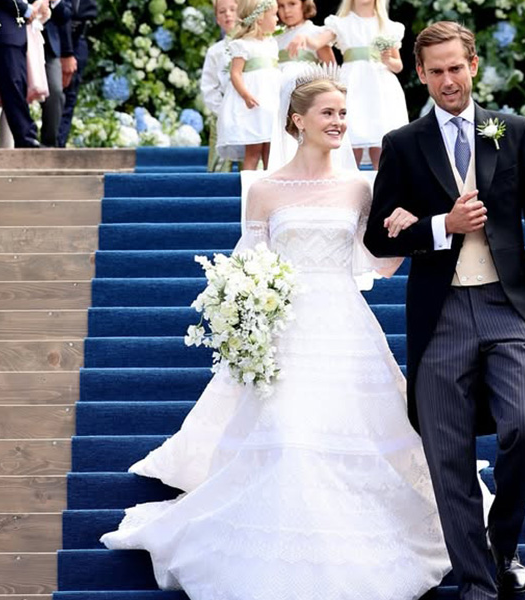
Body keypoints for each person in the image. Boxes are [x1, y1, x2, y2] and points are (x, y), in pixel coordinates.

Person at [100, 67, 452, 600]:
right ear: (298, 120)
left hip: (344, 328)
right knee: (289, 438)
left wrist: (407, 234)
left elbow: (378, 266)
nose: (339, 122)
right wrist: (243, 316)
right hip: (285, 332)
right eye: (328, 113)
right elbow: (248, 268)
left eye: (343, 113)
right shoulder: (263, 190)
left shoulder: (360, 187)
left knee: (348, 439)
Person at [364, 21, 525, 599]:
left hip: (508, 307)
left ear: (474, 65)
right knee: (448, 458)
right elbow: (377, 238)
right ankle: (479, 588)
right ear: (420, 74)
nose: (447, 80)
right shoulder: (403, 144)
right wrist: (441, 226)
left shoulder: (513, 131)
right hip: (441, 316)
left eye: (455, 67)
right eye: (435, 71)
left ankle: (501, 543)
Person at [287, 0, 407, 169]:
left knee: (380, 142)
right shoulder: (341, 23)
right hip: (353, 84)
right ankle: (349, 181)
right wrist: (303, 37)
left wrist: (387, 60)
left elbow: (398, 65)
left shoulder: (387, 26)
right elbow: (316, 43)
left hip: (381, 87)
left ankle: (382, 183)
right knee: (351, 140)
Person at [217, 0, 281, 170]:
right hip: (254, 104)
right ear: (260, 18)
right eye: (274, 15)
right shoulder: (242, 45)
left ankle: (270, 183)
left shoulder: (272, 44)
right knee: (253, 150)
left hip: (270, 102)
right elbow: (235, 73)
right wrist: (245, 95)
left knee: (271, 150)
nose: (277, 19)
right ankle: (248, 184)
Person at [0, 0, 48, 147]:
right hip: (6, 29)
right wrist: (26, 9)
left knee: (18, 87)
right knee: (13, 86)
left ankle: (26, 137)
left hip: (18, 33)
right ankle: (26, 138)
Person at [201, 0, 243, 170]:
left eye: (233, 9)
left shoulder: (254, 46)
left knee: (253, 164)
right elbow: (209, 87)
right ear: (217, 19)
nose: (228, 15)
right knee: (219, 168)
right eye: (222, 12)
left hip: (250, 115)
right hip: (223, 115)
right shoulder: (215, 52)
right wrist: (223, 110)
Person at [56, 0, 97, 147]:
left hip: (80, 35)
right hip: (59, 33)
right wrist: (66, 51)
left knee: (69, 96)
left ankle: (58, 145)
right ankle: (52, 146)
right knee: (57, 93)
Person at [40, 0, 74, 147]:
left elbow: (66, 13)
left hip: (49, 46)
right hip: (18, 35)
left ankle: (49, 146)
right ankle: (19, 143)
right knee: (15, 91)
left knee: (55, 91)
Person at [274, 0, 334, 70]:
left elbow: (331, 70)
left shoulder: (317, 33)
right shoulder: (275, 39)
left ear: (304, 5)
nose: (286, 11)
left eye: (292, 4)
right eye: (281, 6)